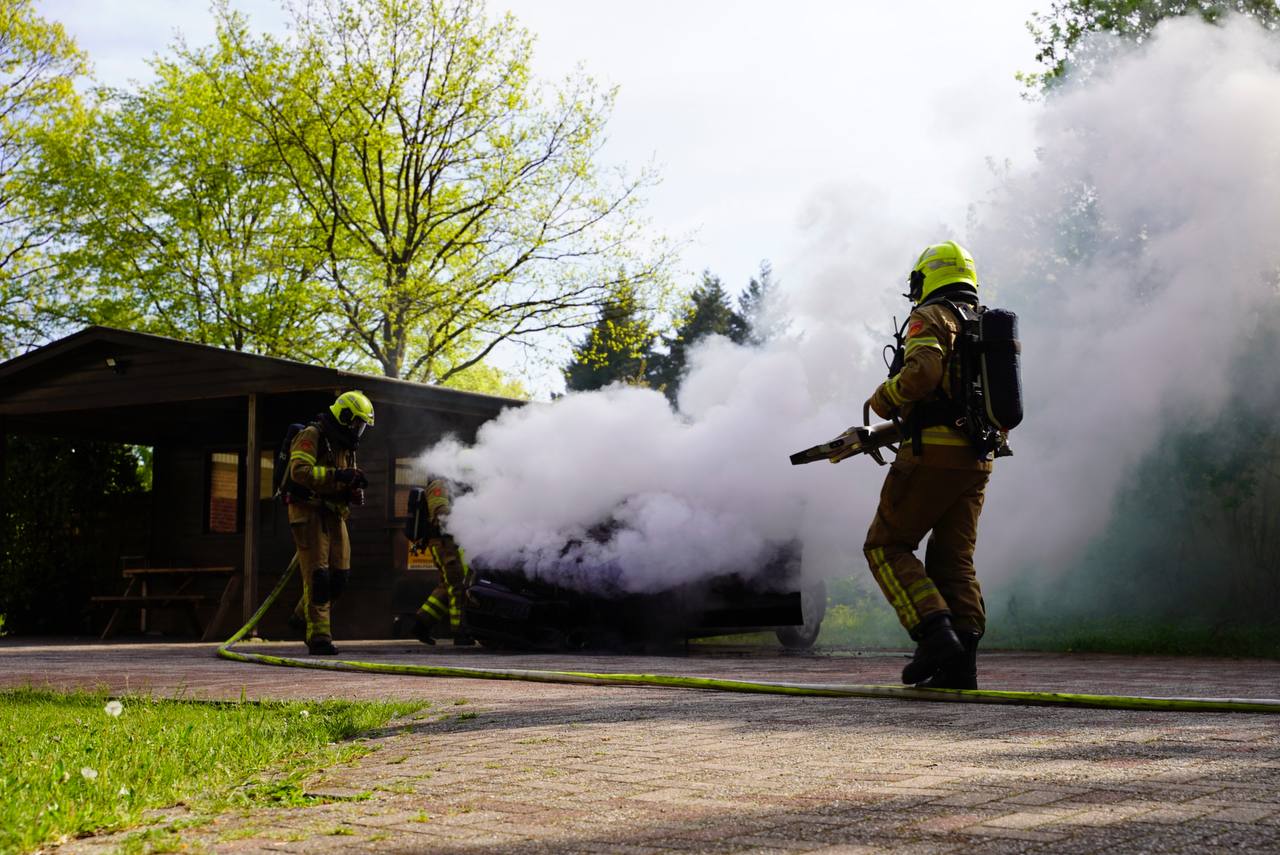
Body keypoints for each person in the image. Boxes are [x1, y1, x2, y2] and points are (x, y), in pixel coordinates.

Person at [863, 241, 1000, 689]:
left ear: (925, 278)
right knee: (952, 561)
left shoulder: (932, 316)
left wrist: (884, 398)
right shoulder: (982, 324)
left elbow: (923, 373)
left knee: (886, 546)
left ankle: (934, 635)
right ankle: (961, 666)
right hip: (977, 459)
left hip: (932, 456)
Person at [284, 390, 374, 655]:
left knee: (339, 577)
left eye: (362, 426)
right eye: (357, 423)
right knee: (319, 578)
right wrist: (339, 475)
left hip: (335, 514)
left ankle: (301, 617)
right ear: (344, 416)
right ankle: (319, 638)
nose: (358, 430)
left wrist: (352, 490)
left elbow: (342, 479)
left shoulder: (345, 445)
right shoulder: (312, 435)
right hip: (309, 512)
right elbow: (299, 472)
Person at [410, 478, 474, 646]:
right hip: (444, 544)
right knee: (458, 586)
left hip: (449, 543)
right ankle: (460, 632)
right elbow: (441, 512)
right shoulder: (438, 485)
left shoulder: (452, 484)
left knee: (448, 586)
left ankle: (421, 624)